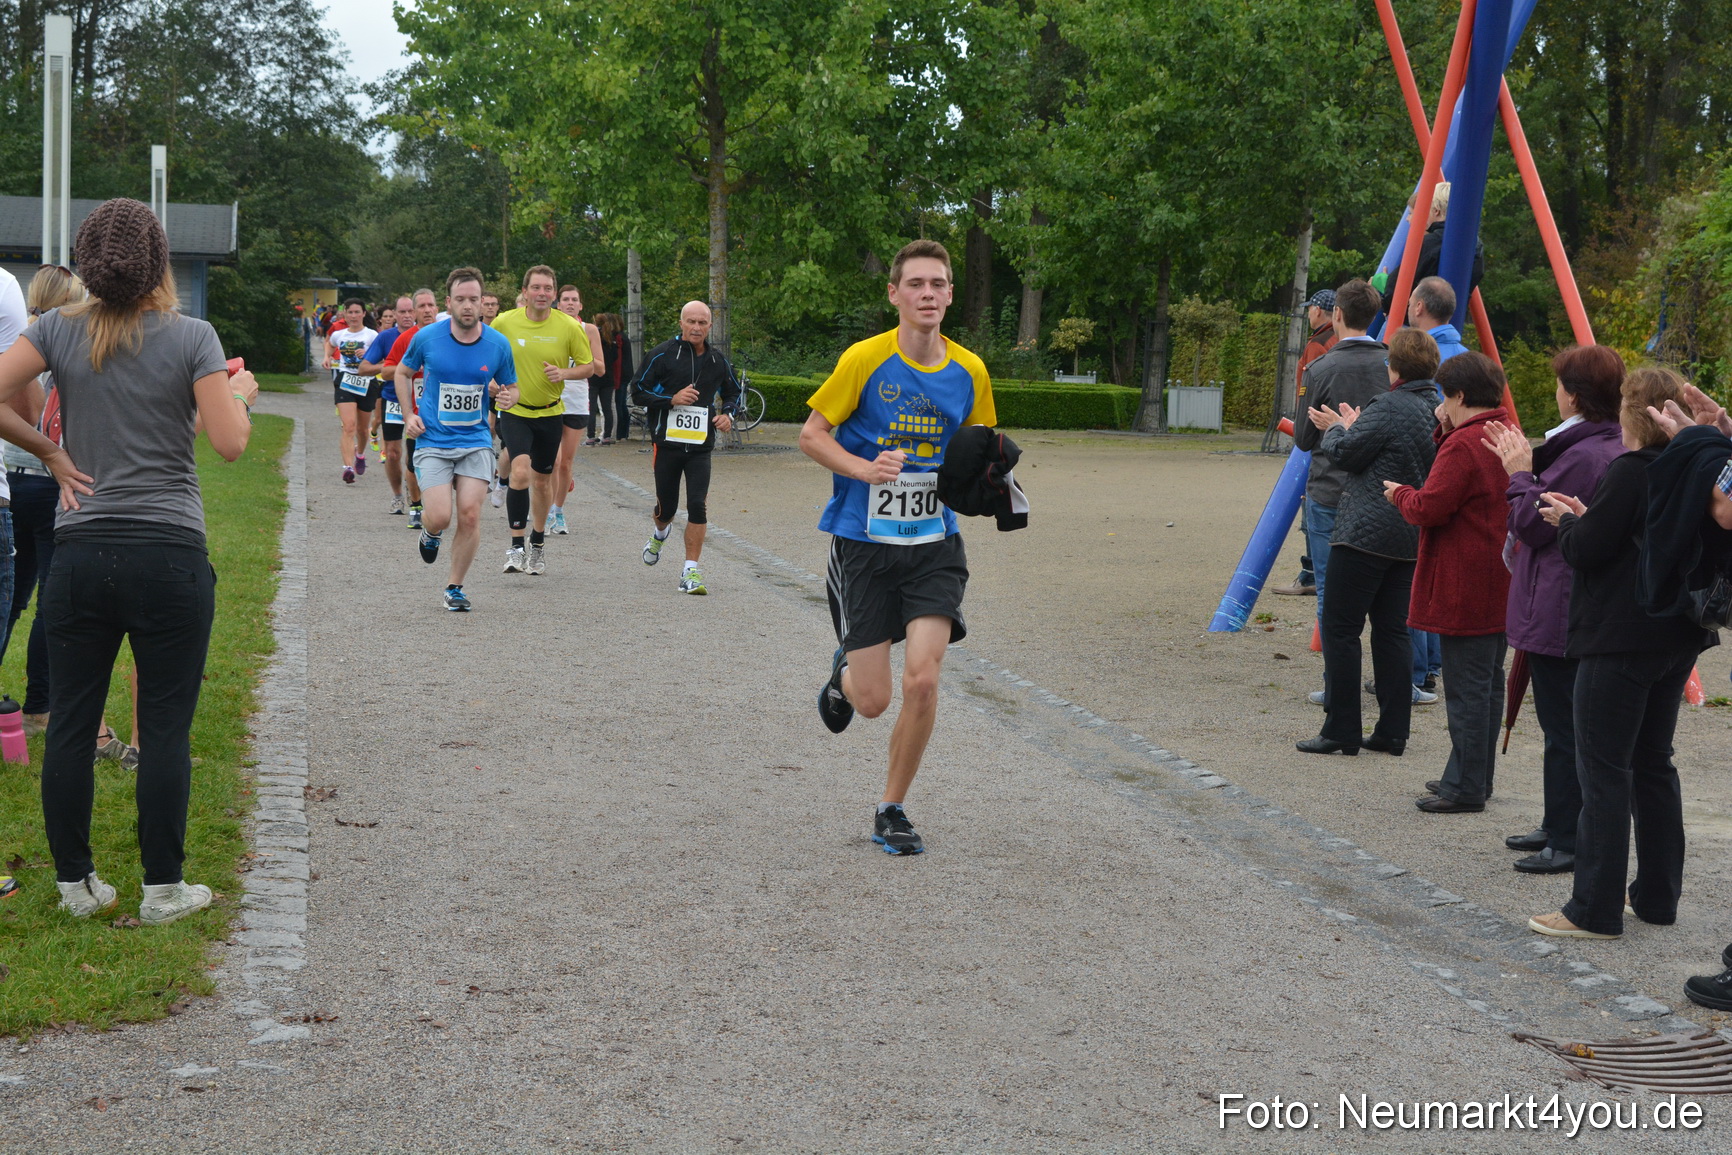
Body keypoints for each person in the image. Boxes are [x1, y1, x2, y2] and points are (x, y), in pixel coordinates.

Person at [0, 197, 259, 924]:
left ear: (87, 263)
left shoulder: (55, 329)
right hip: (169, 553)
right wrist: (237, 392)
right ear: (160, 262)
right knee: (167, 725)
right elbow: (231, 442)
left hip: (81, 551)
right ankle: (162, 889)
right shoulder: (194, 337)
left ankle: (76, 885)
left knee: (75, 721)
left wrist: (50, 450)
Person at [800, 239, 994, 856]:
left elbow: (978, 451)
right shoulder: (864, 359)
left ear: (950, 295)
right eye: (917, 284)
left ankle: (893, 808)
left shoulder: (970, 370)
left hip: (935, 544)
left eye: (939, 284)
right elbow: (811, 435)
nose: (929, 294)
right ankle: (845, 672)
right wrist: (863, 469)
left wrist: (995, 484)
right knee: (875, 700)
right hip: (863, 545)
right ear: (895, 293)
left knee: (924, 680)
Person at [1526, 367, 1718, 939]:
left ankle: (1594, 907)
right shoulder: (1695, 470)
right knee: (1653, 764)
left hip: (1619, 634)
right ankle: (1657, 896)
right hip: (1676, 633)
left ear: (1635, 413)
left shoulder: (1630, 471)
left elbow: (1588, 549)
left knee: (1604, 769)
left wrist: (1566, 523)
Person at [1480, 345, 1626, 874]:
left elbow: (1533, 524)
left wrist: (1518, 472)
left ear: (1575, 395)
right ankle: (1557, 821)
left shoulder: (1586, 454)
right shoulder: (1594, 445)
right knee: (1559, 724)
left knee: (1566, 728)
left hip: (1560, 603)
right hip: (1560, 601)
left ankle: (1567, 837)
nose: (1556, 393)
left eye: (1561, 384)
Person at [1296, 327, 1440, 757]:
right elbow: (1388, 448)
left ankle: (1342, 728)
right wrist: (1356, 428)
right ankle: (1393, 730)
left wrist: (1337, 428)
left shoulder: (1390, 403)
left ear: (1395, 366)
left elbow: (1346, 455)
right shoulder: (1434, 408)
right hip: (1408, 534)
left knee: (1341, 629)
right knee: (1393, 631)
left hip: (1364, 534)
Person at [1385, 352, 1513, 813]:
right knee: (1486, 684)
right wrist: (1445, 424)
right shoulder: (1502, 432)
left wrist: (1399, 492)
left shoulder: (1464, 444)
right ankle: (1471, 776)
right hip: (1498, 577)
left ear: (1458, 395)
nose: (1442, 403)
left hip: (1465, 579)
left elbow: (1429, 507)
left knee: (1467, 690)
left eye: (1444, 395)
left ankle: (1466, 787)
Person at [396, 267, 519, 611]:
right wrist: (409, 415)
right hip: (433, 440)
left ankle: (455, 587)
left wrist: (510, 398)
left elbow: (512, 386)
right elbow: (403, 373)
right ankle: (431, 533)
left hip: (476, 440)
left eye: (474, 299)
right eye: (461, 299)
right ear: (448, 302)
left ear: (483, 303)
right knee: (439, 517)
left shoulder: (498, 344)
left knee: (469, 515)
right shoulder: (427, 338)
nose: (468, 306)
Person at [1291, 279, 1390, 706]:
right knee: (1389, 596)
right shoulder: (1391, 364)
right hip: (1384, 490)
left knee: (1331, 592)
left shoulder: (1322, 369)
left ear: (1336, 316)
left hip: (1331, 491)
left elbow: (1302, 437)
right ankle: (1395, 683)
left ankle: (1337, 685)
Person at [490, 267, 595, 574]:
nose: (542, 293)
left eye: (548, 288)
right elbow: (486, 358)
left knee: (542, 480)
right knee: (520, 473)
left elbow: (588, 367)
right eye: (536, 287)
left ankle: (537, 542)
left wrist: (564, 373)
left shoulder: (568, 326)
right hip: (515, 411)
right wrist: (493, 384)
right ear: (525, 292)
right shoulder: (505, 322)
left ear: (554, 292)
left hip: (550, 412)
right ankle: (516, 546)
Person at [633, 301, 740, 594]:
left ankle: (690, 572)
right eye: (691, 322)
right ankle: (660, 531)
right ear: (681, 323)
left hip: (700, 447)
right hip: (666, 444)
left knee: (697, 504)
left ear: (709, 326)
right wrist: (671, 398)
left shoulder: (718, 360)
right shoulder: (662, 355)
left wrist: (727, 414)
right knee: (666, 507)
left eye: (702, 323)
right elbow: (637, 391)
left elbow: (733, 391)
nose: (696, 327)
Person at [1272, 289, 1339, 598]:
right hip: (1340, 429)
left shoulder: (1317, 345)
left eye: (1311, 307)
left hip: (1317, 432)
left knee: (1312, 505)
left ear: (1318, 311)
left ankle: (1310, 573)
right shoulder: (1341, 340)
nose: (1309, 312)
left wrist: (1303, 430)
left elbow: (1310, 390)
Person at [1376, 182, 1484, 317]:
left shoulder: (1430, 243)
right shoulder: (1475, 246)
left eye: (1424, 208)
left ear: (1436, 210)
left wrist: (1380, 284)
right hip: (1451, 319)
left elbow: (1394, 292)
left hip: (1415, 321)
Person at [359, 294, 422, 517]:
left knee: (416, 453)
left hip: (422, 403)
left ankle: (415, 491)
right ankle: (397, 496)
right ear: (394, 314)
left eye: (409, 311)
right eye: (401, 312)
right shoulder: (386, 338)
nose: (406, 316)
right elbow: (364, 368)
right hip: (393, 400)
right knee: (393, 453)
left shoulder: (427, 335)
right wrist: (400, 369)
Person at [549, 286, 604, 536]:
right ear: (557, 304)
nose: (570, 303)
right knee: (553, 460)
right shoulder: (548, 328)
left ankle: (558, 511)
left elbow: (601, 368)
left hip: (577, 401)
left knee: (565, 463)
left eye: (575, 300)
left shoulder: (588, 330)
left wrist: (580, 359)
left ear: (581, 306)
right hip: (549, 398)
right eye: (565, 300)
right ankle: (547, 510)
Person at [323, 298, 378, 483]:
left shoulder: (372, 336)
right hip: (345, 381)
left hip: (366, 383)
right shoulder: (340, 335)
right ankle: (347, 468)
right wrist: (326, 356)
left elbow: (385, 358)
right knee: (349, 426)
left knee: (362, 430)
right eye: (350, 312)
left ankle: (360, 454)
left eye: (357, 312)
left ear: (364, 314)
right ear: (344, 314)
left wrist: (369, 356)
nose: (353, 316)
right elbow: (329, 344)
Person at [590, 312, 632, 446]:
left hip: (597, 377)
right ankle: (609, 435)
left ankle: (592, 435)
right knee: (609, 407)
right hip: (609, 377)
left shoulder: (597, 339)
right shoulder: (613, 340)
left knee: (594, 407)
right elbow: (615, 357)